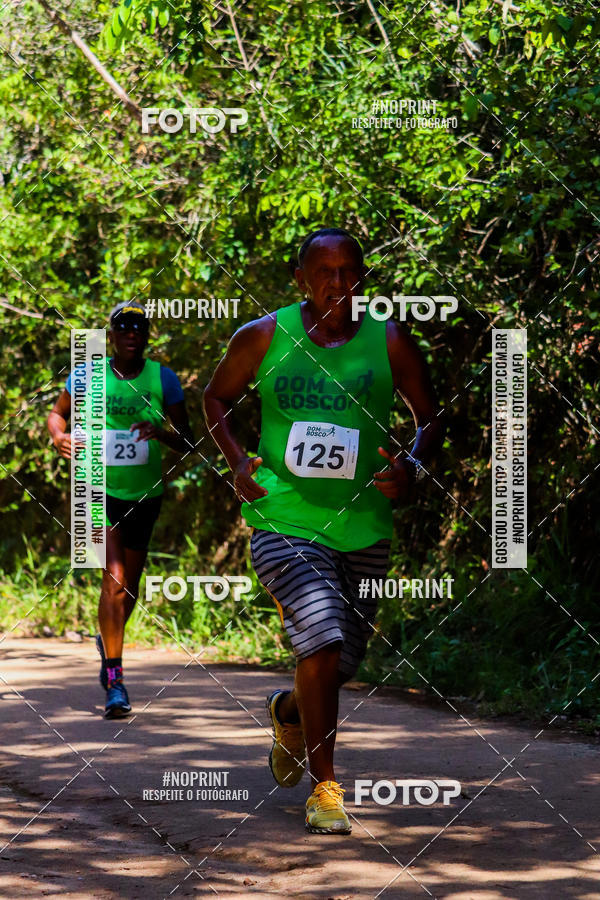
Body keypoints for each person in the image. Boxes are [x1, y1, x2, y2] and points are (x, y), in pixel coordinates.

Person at [203, 227, 444, 833]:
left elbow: (430, 418)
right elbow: (215, 399)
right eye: (324, 272)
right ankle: (325, 789)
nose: (338, 283)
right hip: (283, 516)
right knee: (323, 635)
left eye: (348, 271)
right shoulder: (263, 336)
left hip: (364, 523)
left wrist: (412, 466)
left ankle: (289, 712)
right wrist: (237, 461)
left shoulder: (389, 340)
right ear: (301, 280)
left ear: (363, 276)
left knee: (341, 662)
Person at [47, 302, 194, 718]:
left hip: (145, 494)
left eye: (139, 327)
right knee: (114, 579)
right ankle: (115, 680)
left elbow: (188, 440)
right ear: (110, 335)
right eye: (123, 326)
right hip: (95, 489)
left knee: (128, 589)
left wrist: (160, 432)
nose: (131, 332)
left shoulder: (163, 378)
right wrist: (59, 437)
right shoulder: (87, 375)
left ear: (147, 335)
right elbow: (57, 415)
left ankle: (107, 638)